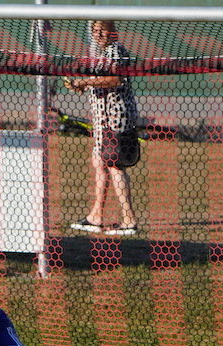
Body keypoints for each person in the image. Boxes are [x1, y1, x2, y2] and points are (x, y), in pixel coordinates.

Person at [67, 20, 140, 237]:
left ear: (112, 31)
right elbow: (101, 81)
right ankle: (95, 216)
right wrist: (82, 85)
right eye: (95, 31)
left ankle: (129, 220)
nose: (98, 34)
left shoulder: (115, 51)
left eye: (103, 30)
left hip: (114, 119)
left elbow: (115, 79)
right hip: (102, 120)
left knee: (114, 163)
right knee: (99, 162)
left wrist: (86, 83)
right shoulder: (102, 53)